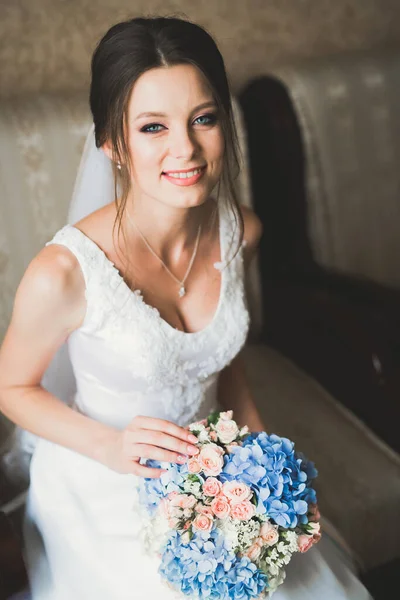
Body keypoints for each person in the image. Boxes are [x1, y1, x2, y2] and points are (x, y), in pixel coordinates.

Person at [0, 16, 372, 600]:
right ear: (111, 143)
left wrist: (271, 468)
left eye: (204, 118)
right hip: (104, 479)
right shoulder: (65, 274)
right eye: (153, 127)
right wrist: (110, 448)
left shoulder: (241, 233)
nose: (186, 148)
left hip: (217, 472)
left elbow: (221, 363)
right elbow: (11, 388)